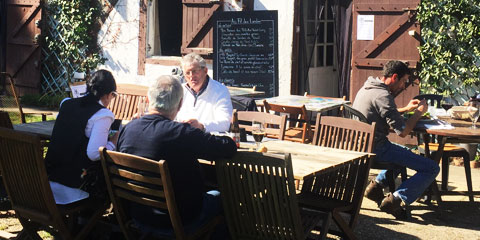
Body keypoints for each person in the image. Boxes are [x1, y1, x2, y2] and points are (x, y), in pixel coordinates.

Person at [117, 75, 237, 230]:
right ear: (180, 104)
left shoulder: (128, 129)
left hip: (139, 214)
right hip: (180, 219)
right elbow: (228, 147)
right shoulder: (181, 133)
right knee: (227, 197)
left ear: (148, 100)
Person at [352, 60, 440, 219]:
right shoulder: (383, 95)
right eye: (404, 81)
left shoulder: (367, 87)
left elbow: (382, 111)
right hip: (376, 149)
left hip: (360, 144)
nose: (403, 86)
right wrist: (418, 113)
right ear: (394, 77)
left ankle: (376, 186)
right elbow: (403, 132)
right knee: (432, 168)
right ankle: (396, 199)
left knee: (404, 152)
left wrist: (406, 109)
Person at [45, 69, 119, 204]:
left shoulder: (66, 103)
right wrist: (114, 142)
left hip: (49, 181)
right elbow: (94, 154)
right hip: (73, 187)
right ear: (108, 95)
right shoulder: (103, 115)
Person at [175, 53, 233, 132]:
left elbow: (225, 123)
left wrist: (201, 126)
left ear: (205, 71)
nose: (191, 76)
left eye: (195, 71)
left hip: (208, 139)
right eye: (188, 73)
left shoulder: (220, 90)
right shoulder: (180, 90)